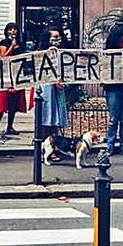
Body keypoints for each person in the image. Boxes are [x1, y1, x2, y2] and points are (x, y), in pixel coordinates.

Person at [36, 28, 67, 162]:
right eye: (54, 37)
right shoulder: (41, 54)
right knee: (46, 119)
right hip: (46, 89)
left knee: (56, 120)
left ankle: (54, 147)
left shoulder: (61, 53)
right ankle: (45, 148)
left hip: (58, 90)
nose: (57, 40)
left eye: (58, 37)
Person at [104, 28, 123, 157]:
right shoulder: (108, 54)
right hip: (113, 89)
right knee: (113, 119)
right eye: (122, 41)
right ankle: (110, 147)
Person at [0, 23, 25, 137]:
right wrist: (11, 46)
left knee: (14, 102)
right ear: (7, 31)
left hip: (17, 74)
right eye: (10, 29)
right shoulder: (4, 43)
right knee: (2, 100)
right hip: (6, 74)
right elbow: (4, 57)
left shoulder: (20, 43)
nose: (13, 31)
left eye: (15, 29)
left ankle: (10, 126)